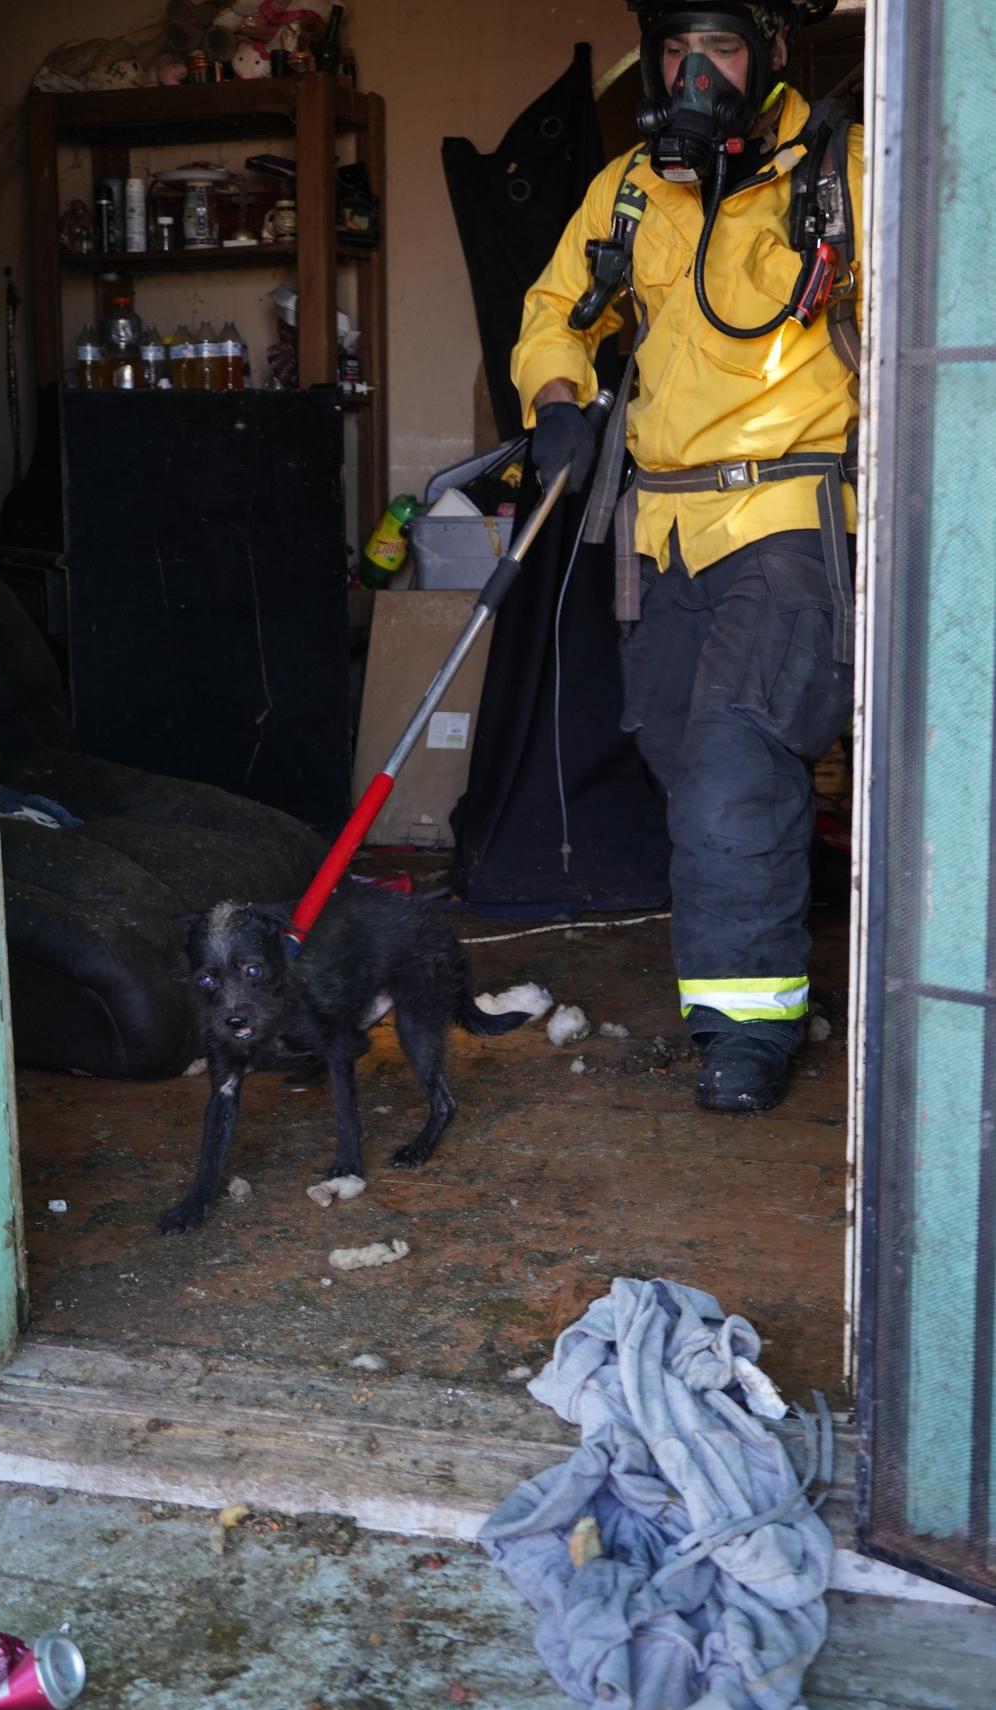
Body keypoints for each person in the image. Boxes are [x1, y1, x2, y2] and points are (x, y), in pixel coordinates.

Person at [512, 0, 862, 1113]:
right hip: (664, 530)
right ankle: (764, 962)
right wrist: (557, 397)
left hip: (793, 518)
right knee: (677, 750)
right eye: (675, 48)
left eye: (718, 46)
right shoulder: (630, 185)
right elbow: (554, 307)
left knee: (729, 759)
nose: (693, 71)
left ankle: (748, 1030)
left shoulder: (849, 168)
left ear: (768, 55)